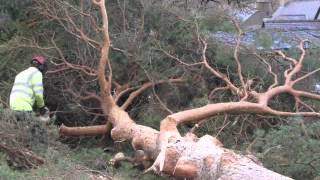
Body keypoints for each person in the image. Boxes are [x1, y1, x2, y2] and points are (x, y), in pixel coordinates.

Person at [9, 55, 49, 152]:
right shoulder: (36, 73)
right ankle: (41, 155)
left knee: (21, 132)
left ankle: (19, 154)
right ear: (41, 66)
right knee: (38, 131)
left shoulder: (20, 74)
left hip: (13, 106)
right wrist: (42, 108)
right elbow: (38, 94)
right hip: (23, 106)